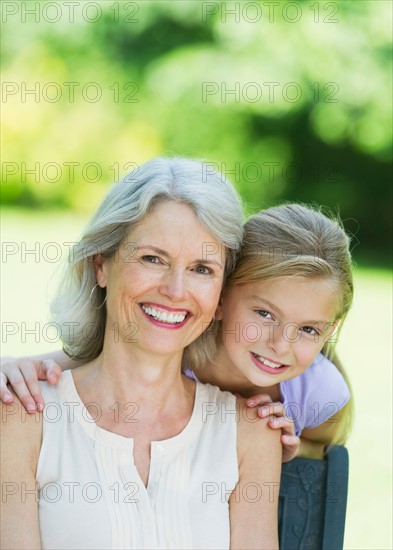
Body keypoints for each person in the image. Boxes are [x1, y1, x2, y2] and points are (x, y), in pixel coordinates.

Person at [1, 157, 282, 550]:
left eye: (202, 269)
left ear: (221, 296)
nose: (175, 290)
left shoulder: (248, 435)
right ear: (101, 265)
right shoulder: (24, 417)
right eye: (153, 258)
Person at [1, 205, 354, 463]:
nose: (280, 344)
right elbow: (80, 360)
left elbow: (326, 452)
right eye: (264, 314)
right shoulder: (174, 343)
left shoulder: (318, 392)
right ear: (219, 296)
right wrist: (14, 366)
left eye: (308, 329)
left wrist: (292, 448)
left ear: (330, 330)